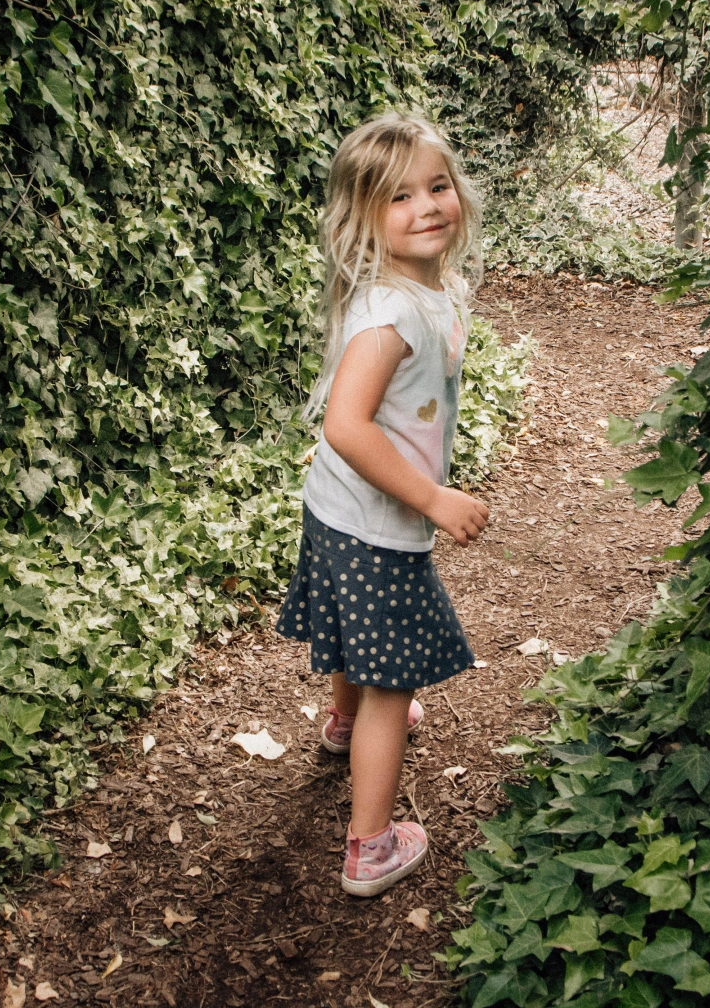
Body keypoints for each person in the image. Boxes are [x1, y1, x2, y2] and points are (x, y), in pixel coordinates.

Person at [276, 113, 489, 897]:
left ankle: (341, 722)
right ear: (364, 218)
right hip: (375, 526)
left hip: (336, 513)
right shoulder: (390, 314)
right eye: (399, 198)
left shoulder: (413, 292)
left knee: (346, 630)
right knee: (391, 688)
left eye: (437, 187)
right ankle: (370, 847)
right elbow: (345, 424)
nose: (427, 206)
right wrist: (432, 497)